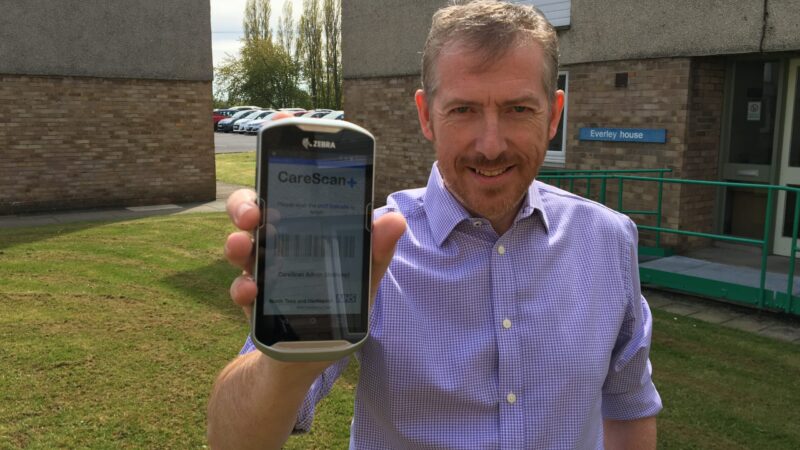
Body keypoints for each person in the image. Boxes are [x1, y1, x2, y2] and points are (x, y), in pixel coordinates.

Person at [207, 1, 662, 448]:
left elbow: (628, 405)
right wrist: (289, 360)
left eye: (518, 109)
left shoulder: (608, 239)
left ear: (554, 115)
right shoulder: (371, 253)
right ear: (426, 115)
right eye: (463, 110)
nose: (490, 145)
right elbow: (233, 441)